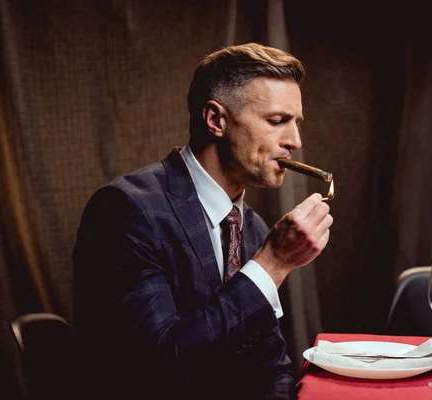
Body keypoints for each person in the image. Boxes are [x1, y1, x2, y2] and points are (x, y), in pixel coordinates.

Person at [73, 42, 333, 400]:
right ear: (216, 120)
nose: (295, 142)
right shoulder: (126, 210)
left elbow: (272, 366)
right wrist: (272, 265)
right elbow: (161, 361)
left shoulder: (254, 228)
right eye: (277, 121)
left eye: (295, 123)